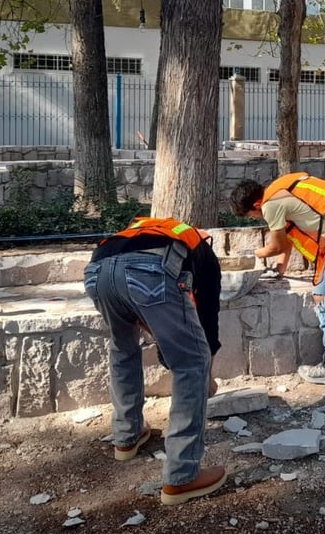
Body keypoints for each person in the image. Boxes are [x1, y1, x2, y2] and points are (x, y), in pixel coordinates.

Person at [83, 216, 226, 506]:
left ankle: (126, 436)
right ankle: (182, 476)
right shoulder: (203, 251)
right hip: (147, 271)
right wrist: (204, 372)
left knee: (122, 349)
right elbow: (206, 320)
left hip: (97, 270)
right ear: (206, 238)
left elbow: (155, 319)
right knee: (192, 363)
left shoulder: (146, 229)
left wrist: (170, 344)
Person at [229, 173, 325, 397]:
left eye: (253, 215)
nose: (257, 219)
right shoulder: (279, 192)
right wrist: (280, 269)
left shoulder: (271, 204)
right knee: (323, 299)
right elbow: (287, 240)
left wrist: (254, 255)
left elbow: (277, 245)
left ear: (257, 204)